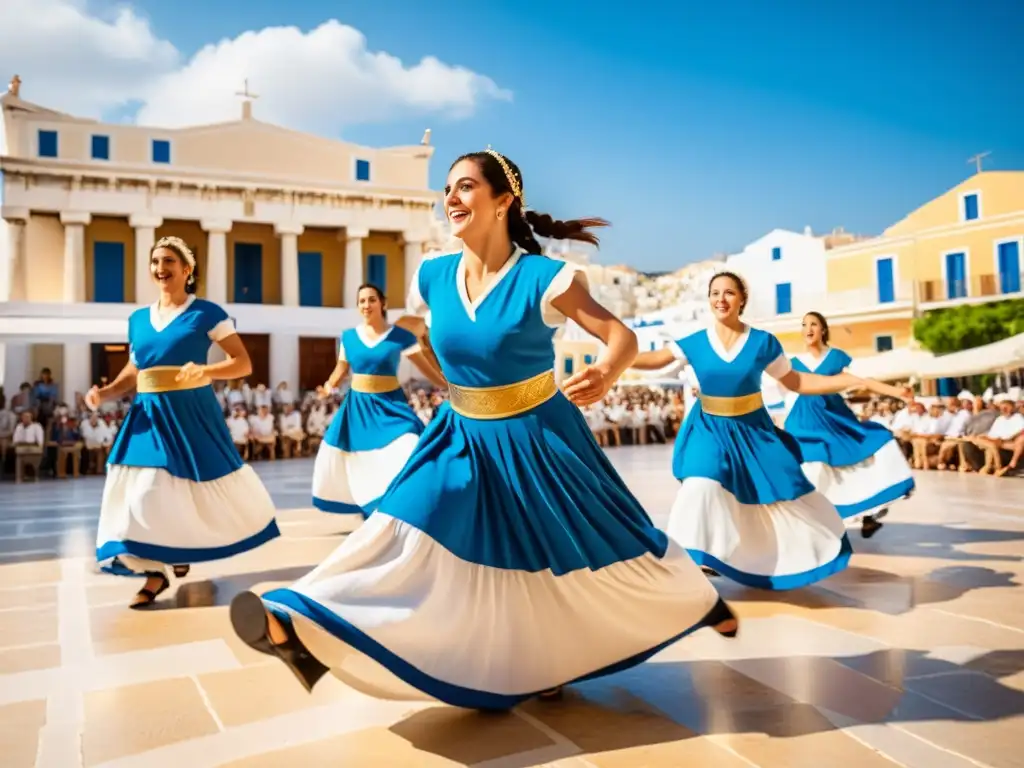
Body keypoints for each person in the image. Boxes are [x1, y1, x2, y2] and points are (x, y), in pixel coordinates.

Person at [229, 148, 735, 710]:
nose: (451, 198)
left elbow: (621, 337)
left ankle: (678, 605)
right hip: (458, 434)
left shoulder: (546, 278)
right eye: (447, 189)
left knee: (573, 548)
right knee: (399, 525)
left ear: (503, 202)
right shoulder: (431, 275)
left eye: (466, 187)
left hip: (535, 436)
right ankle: (295, 620)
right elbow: (431, 344)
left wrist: (605, 372)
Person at [631, 272, 908, 590]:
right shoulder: (694, 341)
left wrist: (849, 381)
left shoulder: (763, 343)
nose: (721, 298)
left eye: (729, 293)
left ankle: (788, 554)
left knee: (782, 496)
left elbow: (798, 382)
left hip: (752, 430)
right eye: (715, 292)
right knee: (699, 484)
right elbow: (653, 359)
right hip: (708, 427)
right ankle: (686, 564)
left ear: (741, 300)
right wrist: (614, 357)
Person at [86, 236, 279, 609]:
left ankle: (179, 546)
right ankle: (155, 573)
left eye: (169, 261)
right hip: (147, 415)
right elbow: (135, 370)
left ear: (187, 270)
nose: (161, 268)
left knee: (179, 487)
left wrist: (205, 370)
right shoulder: (138, 319)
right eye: (155, 261)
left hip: (190, 412)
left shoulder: (206, 313)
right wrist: (105, 393)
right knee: (140, 492)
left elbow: (243, 363)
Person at [311, 282, 446, 523]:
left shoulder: (401, 337)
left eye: (372, 299)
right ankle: (374, 508)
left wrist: (449, 385)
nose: (366, 305)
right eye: (362, 301)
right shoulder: (349, 337)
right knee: (363, 461)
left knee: (409, 445)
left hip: (391, 406)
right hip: (358, 409)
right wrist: (328, 388)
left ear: (382, 303)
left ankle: (405, 504)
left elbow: (426, 368)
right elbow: (339, 371)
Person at [776, 312, 914, 538]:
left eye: (814, 324)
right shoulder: (793, 363)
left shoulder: (836, 358)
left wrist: (897, 392)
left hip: (833, 420)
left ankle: (869, 513)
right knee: (814, 469)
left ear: (823, 330)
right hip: (802, 422)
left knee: (863, 456)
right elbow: (775, 391)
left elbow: (861, 381)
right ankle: (810, 522)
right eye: (804, 325)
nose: (808, 329)